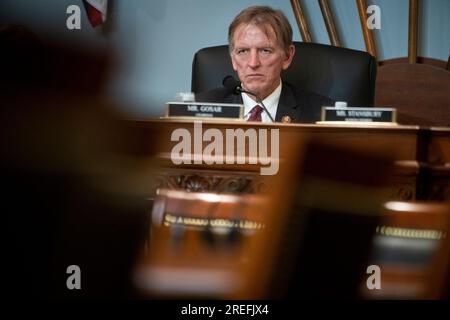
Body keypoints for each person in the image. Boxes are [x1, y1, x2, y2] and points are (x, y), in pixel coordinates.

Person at [196, 5, 334, 123]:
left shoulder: (322, 116)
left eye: (265, 51)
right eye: (243, 51)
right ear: (233, 59)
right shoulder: (198, 109)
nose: (253, 63)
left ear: (287, 56)